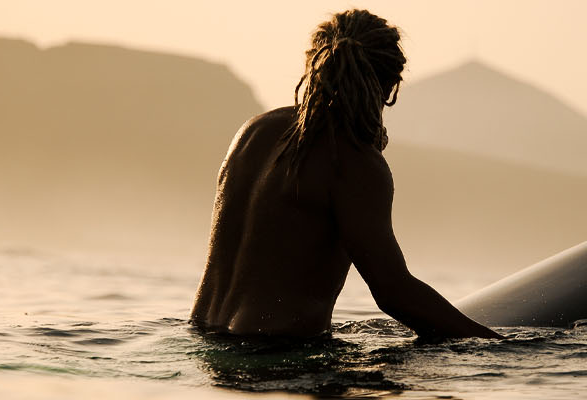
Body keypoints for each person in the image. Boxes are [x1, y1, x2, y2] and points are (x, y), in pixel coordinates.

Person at [188, 9, 502, 341]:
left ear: (313, 67)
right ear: (389, 87)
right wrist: (497, 346)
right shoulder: (353, 163)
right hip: (278, 359)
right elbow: (394, 291)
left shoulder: (252, 133)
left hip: (205, 345)